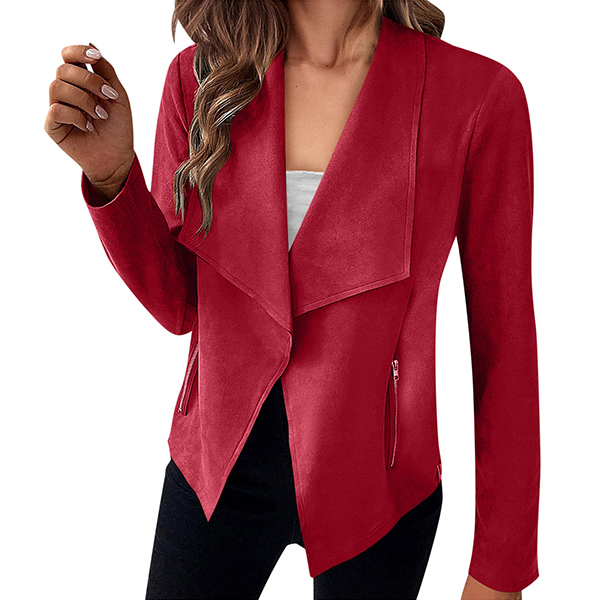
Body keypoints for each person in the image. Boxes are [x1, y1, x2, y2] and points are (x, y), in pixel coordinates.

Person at [44, 1, 539, 598]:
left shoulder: (478, 96)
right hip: (215, 468)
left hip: (379, 487)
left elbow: (505, 341)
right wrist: (112, 177)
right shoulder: (199, 80)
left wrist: (500, 568)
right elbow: (181, 305)